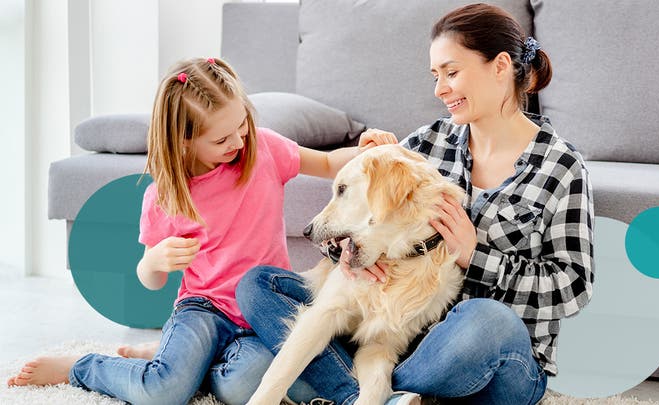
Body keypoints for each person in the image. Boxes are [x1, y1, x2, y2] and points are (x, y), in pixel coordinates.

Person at [238, 3, 594, 405]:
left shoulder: (561, 165)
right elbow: (357, 207)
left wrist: (473, 255)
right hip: (404, 338)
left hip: (496, 357)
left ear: (500, 67)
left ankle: (350, 385)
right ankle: (383, 395)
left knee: (486, 319)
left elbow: (574, 286)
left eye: (452, 72)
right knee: (257, 285)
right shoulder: (427, 142)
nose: (439, 89)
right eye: (436, 75)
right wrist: (350, 251)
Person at [6, 57, 396, 405]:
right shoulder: (165, 198)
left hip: (258, 315)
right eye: (222, 139)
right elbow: (150, 279)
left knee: (247, 387)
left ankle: (181, 362)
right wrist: (155, 259)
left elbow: (329, 164)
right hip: (202, 309)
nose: (239, 141)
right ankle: (84, 367)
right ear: (183, 141)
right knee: (162, 393)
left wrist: (367, 152)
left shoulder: (262, 151)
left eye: (242, 125)